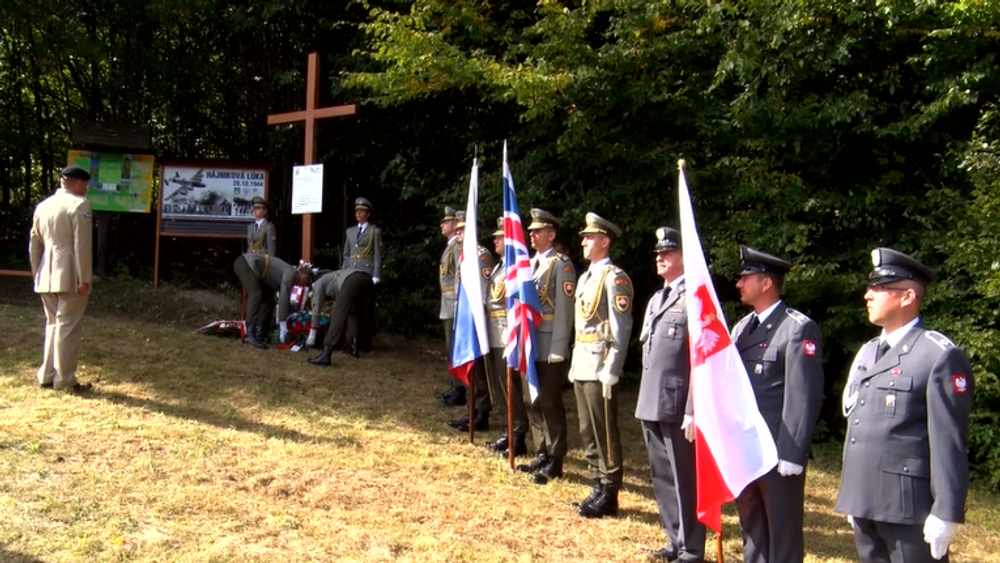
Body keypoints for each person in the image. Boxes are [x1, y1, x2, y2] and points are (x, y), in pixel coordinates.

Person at [835, 248, 974, 563]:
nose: (868, 295)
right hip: (865, 499)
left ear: (908, 296)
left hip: (908, 508)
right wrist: (855, 492)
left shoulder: (938, 355)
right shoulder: (869, 352)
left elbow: (949, 441)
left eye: (879, 288)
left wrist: (947, 512)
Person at [730, 245, 825, 563]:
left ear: (766, 282)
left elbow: (804, 394)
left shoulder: (797, 328)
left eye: (746, 277)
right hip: (747, 445)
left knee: (782, 532)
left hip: (777, 449)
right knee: (752, 525)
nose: (739, 284)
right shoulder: (742, 328)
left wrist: (792, 452)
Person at [636, 227, 706, 562]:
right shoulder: (657, 298)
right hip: (652, 399)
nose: (660, 258)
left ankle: (692, 547)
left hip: (679, 405)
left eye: (668, 253)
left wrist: (694, 407)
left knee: (684, 479)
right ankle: (674, 539)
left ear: (684, 258)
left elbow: (703, 358)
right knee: (662, 475)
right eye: (658, 254)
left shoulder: (696, 299)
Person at [568, 212, 633, 518]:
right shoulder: (585, 277)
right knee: (586, 428)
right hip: (583, 358)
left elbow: (621, 328)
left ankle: (609, 491)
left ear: (604, 242)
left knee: (604, 428)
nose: (583, 241)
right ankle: (597, 482)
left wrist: (613, 368)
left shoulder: (614, 278)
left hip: (600, 363)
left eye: (589, 237)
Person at [515, 208, 576, 485]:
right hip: (530, 341)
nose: (531, 234)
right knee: (532, 398)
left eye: (537, 231)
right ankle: (541, 449)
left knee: (550, 401)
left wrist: (559, 348)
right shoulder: (529, 264)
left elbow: (564, 310)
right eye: (530, 230)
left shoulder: (561, 265)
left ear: (551, 235)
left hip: (550, 341)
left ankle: (556, 457)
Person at [29, 165, 95, 392]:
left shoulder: (43, 206)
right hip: (70, 274)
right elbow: (82, 246)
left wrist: (36, 272)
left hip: (46, 272)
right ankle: (65, 379)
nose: (86, 188)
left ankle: (47, 375)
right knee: (68, 326)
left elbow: (34, 243)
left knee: (52, 324)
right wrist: (84, 278)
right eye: (85, 183)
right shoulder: (79, 205)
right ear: (78, 183)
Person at [445, 210, 496, 433]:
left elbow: (483, 292)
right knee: (470, 369)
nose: (458, 232)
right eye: (457, 228)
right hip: (464, 317)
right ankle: (472, 410)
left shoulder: (481, 255)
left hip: (476, 320)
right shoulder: (465, 254)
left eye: (462, 229)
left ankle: (482, 413)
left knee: (479, 370)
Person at [483, 218, 529, 456]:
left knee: (510, 386)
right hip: (495, 331)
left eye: (500, 237)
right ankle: (506, 429)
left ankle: (517, 433)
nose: (495, 240)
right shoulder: (500, 266)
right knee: (499, 386)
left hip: (506, 333)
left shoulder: (514, 268)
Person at [233, 253, 310, 349]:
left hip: (254, 268)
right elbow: (283, 297)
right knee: (255, 294)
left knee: (268, 299)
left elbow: (284, 299)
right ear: (304, 277)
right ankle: (249, 334)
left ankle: (260, 334)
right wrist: (283, 325)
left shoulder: (289, 274)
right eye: (307, 282)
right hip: (246, 263)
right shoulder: (292, 273)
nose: (305, 285)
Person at [307, 268, 376, 366]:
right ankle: (354, 347)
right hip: (366, 279)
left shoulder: (318, 283)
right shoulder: (333, 277)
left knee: (338, 313)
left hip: (351, 280)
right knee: (353, 312)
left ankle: (326, 352)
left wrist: (312, 332)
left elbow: (316, 308)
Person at [342, 197, 381, 352]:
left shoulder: (374, 232)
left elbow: (377, 255)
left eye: (362, 211)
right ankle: (353, 340)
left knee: (366, 308)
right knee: (352, 307)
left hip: (367, 272)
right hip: (352, 270)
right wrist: (345, 269)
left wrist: (376, 274)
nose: (358, 213)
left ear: (368, 214)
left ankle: (366, 341)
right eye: (357, 211)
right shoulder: (350, 231)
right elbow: (346, 253)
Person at [436, 206, 466, 406]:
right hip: (447, 303)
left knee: (455, 347)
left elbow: (459, 275)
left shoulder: (456, 247)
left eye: (446, 222)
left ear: (455, 225)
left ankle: (460, 389)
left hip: (453, 302)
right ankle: (455, 386)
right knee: (450, 347)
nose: (442, 225)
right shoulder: (450, 245)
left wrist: (457, 301)